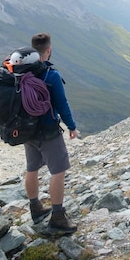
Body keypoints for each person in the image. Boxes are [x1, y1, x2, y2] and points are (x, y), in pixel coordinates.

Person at [25, 32, 79, 234]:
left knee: (32, 168)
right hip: (48, 131)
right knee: (58, 171)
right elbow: (61, 105)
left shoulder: (21, 73)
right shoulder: (51, 75)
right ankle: (57, 217)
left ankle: (35, 208)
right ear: (48, 49)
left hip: (27, 131)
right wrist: (72, 126)